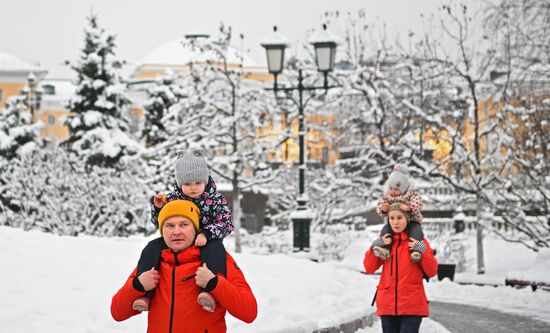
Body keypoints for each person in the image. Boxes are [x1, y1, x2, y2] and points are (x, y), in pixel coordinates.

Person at [111, 200, 257, 333]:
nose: (176, 231)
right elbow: (117, 313)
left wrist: (215, 283)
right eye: (169, 225)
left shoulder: (217, 260)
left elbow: (249, 312)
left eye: (184, 224)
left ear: (195, 229)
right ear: (162, 231)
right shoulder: (153, 262)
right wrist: (137, 286)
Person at [133, 149, 233, 312]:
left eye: (198, 183)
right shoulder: (173, 198)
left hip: (206, 240)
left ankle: (209, 292)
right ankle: (146, 293)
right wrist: (158, 209)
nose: (193, 188)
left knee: (215, 249)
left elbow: (226, 223)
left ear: (205, 180)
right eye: (187, 184)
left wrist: (207, 233)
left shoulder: (216, 199)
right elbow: (159, 223)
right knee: (152, 246)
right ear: (180, 184)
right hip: (178, 240)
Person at [364, 203, 438, 333]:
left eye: (399, 218)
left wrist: (422, 250)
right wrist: (376, 245)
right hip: (387, 305)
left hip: (412, 305)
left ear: (407, 219)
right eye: (392, 218)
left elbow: (431, 271)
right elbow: (369, 267)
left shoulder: (417, 242)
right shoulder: (386, 243)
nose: (395, 222)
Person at [375, 164, 425, 262]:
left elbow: (418, 202)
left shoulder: (410, 194)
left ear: (404, 188)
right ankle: (385, 249)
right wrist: (383, 208)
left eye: (396, 189)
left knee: (416, 231)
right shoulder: (388, 197)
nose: (393, 191)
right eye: (391, 188)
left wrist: (409, 207)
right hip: (393, 225)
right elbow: (380, 204)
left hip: (412, 221)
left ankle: (415, 252)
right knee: (386, 229)